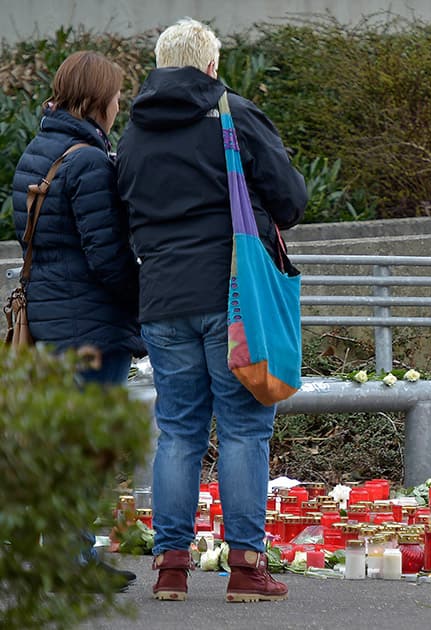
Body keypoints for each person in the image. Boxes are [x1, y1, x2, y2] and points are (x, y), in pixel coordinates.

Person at [116, 18, 307, 602]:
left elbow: (122, 210)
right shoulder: (232, 113)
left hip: (162, 299)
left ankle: (171, 566)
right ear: (211, 66)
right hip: (232, 299)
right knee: (245, 428)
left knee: (177, 430)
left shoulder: (134, 132)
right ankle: (247, 569)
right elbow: (291, 200)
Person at [11, 50, 143, 590]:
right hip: (89, 324)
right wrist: (142, 301)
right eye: (115, 97)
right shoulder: (88, 161)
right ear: (96, 101)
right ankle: (70, 562)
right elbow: (107, 257)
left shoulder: (38, 149)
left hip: (48, 317)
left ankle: (62, 555)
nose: (119, 105)